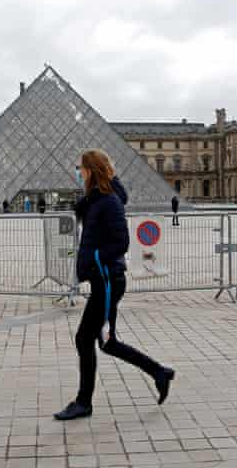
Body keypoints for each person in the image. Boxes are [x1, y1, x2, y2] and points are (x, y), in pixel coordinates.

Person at [54, 149, 174, 421]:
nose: (77, 172)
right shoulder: (96, 200)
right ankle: (159, 372)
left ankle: (84, 402)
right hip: (103, 279)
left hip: (108, 279)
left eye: (80, 168)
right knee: (106, 342)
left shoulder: (108, 202)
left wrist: (95, 260)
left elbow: (121, 243)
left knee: (86, 338)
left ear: (91, 170)